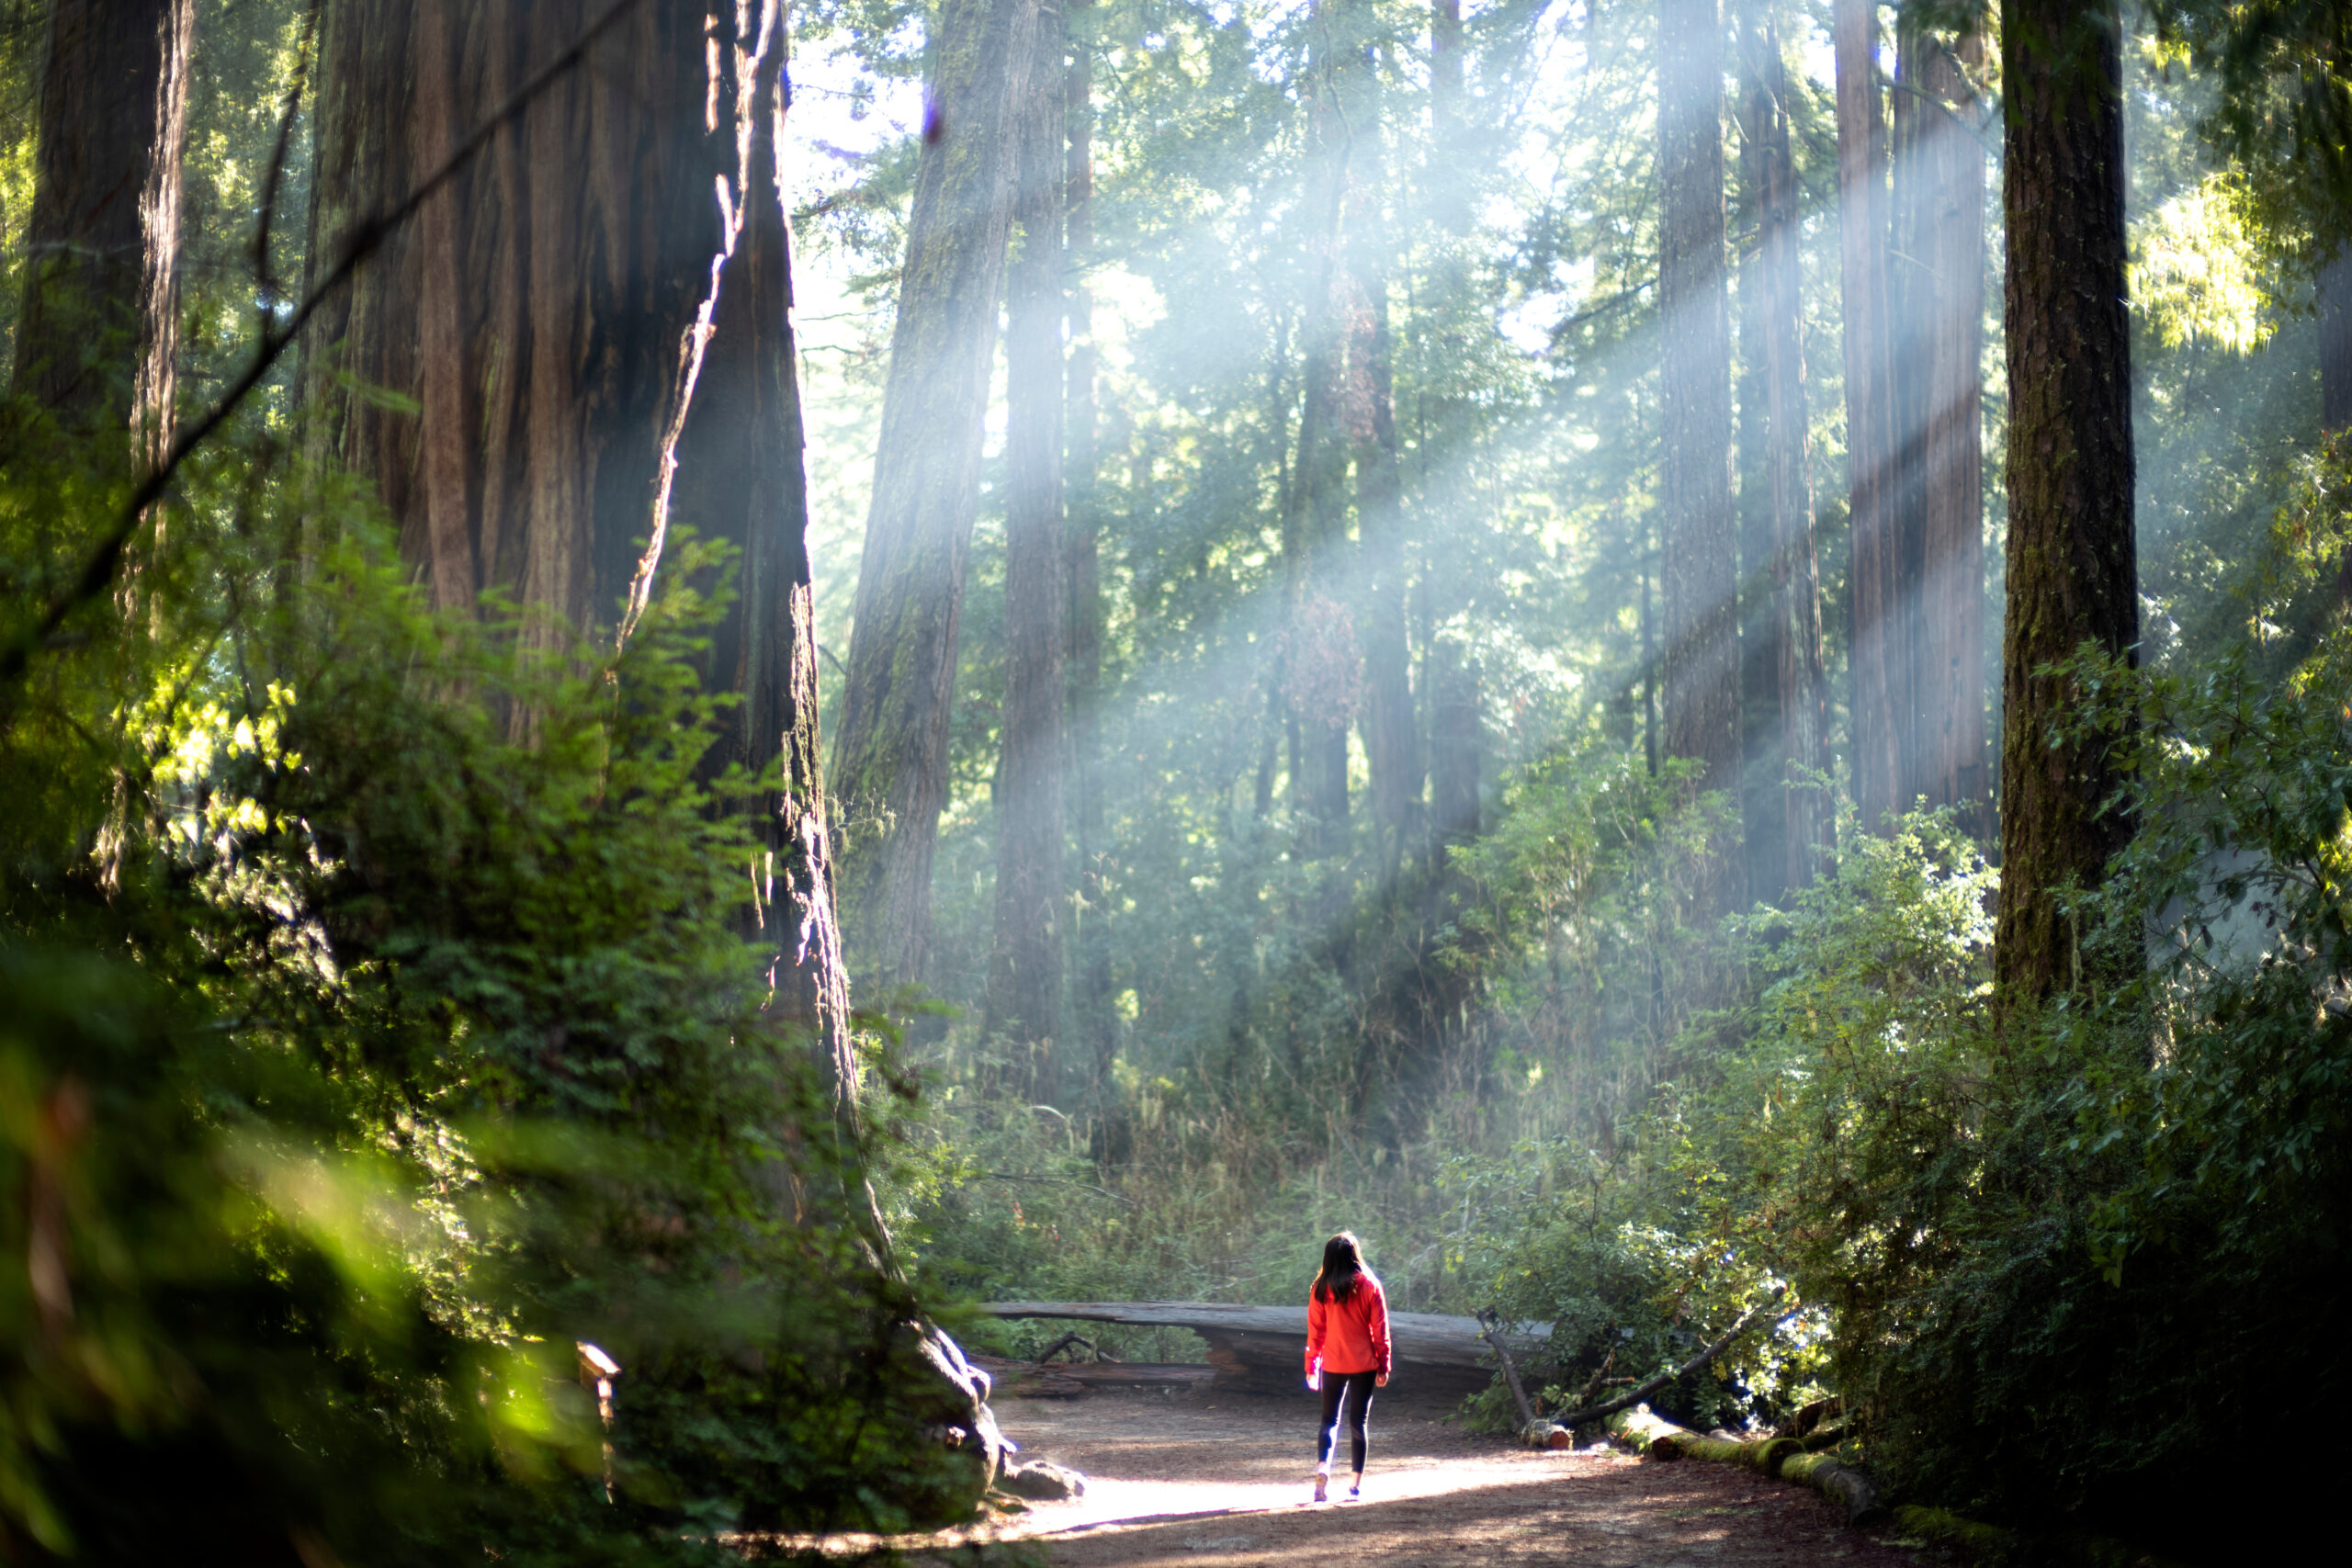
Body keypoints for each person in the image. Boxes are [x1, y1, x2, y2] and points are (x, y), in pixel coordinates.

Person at [1303, 1230, 1390, 1502]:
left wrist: (1311, 1365)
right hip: (1364, 1363)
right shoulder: (1370, 1285)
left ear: (1328, 1258)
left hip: (1333, 1362)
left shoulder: (1320, 1287)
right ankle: (1354, 1487)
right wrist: (1384, 1364)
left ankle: (1323, 1468)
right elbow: (1380, 1329)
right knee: (1358, 1423)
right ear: (1355, 1255)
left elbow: (1315, 1330)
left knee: (1328, 1421)